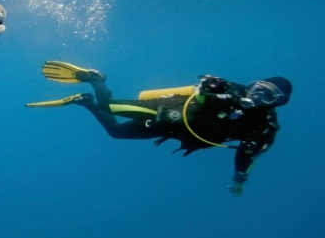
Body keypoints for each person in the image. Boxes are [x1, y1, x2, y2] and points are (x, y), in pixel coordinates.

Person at [25, 60, 292, 195]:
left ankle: (84, 102)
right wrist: (210, 90)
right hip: (165, 112)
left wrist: (239, 179)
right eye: (259, 88)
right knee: (108, 106)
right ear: (253, 84)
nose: (258, 96)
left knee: (115, 132)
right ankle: (95, 78)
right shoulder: (230, 90)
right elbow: (202, 95)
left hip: (173, 131)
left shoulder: (265, 127)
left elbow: (247, 155)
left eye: (269, 96)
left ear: (277, 103)